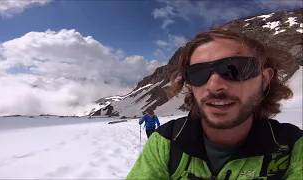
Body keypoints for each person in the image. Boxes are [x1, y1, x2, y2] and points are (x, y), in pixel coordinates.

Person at [127, 29, 302, 179]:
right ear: (190, 85)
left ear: (264, 79)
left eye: (234, 69)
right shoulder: (165, 143)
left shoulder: (294, 147)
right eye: (198, 73)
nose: (214, 85)